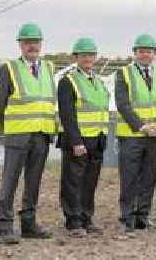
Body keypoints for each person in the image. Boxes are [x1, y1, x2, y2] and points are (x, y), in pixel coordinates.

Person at [0, 23, 55, 244]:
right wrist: (11, 128)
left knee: (33, 181)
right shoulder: (9, 69)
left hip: (41, 134)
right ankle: (5, 227)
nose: (32, 46)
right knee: (10, 180)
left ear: (41, 44)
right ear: (20, 45)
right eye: (27, 42)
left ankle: (29, 224)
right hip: (18, 135)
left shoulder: (49, 68)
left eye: (35, 42)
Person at [114, 33, 156, 233]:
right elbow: (123, 104)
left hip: (155, 135)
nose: (145, 54)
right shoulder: (124, 73)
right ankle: (127, 217)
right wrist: (141, 126)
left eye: (149, 51)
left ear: (154, 54)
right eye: (141, 51)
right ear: (135, 53)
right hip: (132, 135)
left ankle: (143, 216)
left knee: (149, 177)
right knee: (129, 177)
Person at [57, 37, 109, 237]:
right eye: (83, 55)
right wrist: (76, 141)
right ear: (76, 57)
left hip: (96, 139)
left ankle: (87, 218)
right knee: (73, 181)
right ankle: (73, 221)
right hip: (77, 141)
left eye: (91, 55)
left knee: (90, 182)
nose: (88, 58)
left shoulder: (99, 81)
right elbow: (67, 114)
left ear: (95, 58)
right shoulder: (67, 81)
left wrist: (103, 135)